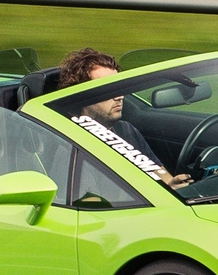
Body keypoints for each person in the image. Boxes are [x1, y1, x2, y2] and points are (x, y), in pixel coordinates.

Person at [57, 48, 190, 187]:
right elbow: (91, 204)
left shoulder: (126, 130)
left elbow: (162, 176)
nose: (119, 96)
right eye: (108, 90)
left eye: (119, 88)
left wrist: (173, 185)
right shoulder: (73, 146)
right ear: (82, 97)